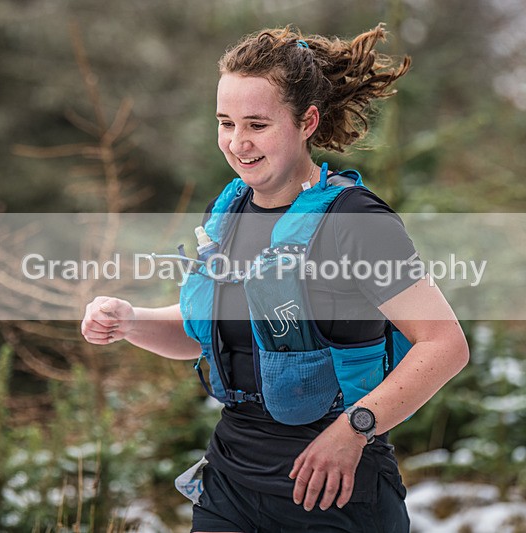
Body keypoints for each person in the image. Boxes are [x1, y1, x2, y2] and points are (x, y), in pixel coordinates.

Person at [82, 24, 469, 533]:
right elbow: (214, 331)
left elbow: (444, 344)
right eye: (225, 123)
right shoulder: (230, 211)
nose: (237, 143)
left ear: (307, 121)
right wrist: (131, 321)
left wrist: (352, 431)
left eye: (257, 124)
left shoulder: (355, 221)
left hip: (335, 492)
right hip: (230, 486)